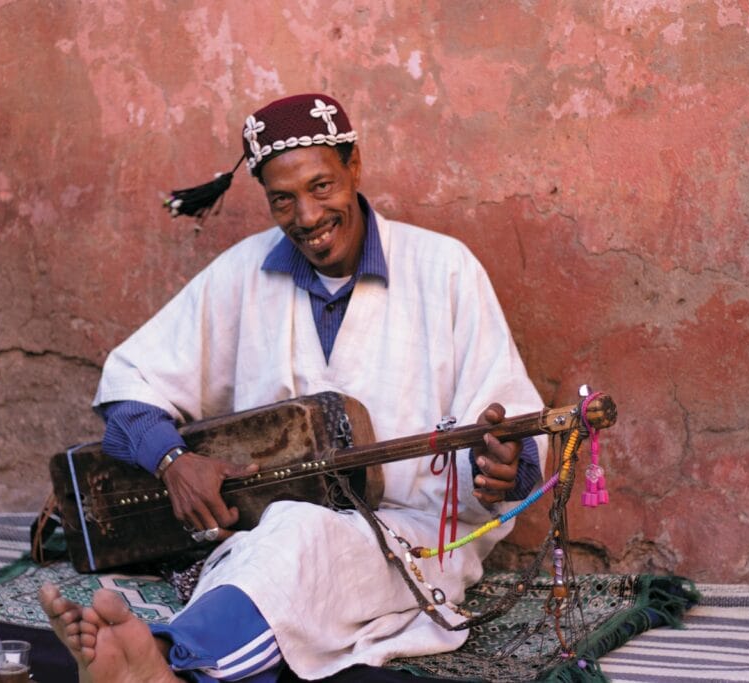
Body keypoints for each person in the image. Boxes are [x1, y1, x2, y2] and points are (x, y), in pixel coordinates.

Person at [40, 93, 547, 683]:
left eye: (322, 187)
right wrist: (174, 460)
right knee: (271, 549)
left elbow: (515, 430)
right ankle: (161, 662)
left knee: (300, 541)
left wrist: (507, 467)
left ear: (354, 167)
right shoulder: (243, 273)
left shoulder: (445, 270)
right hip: (264, 532)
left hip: (413, 537)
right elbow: (128, 394)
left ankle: (165, 663)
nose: (306, 216)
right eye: (283, 199)